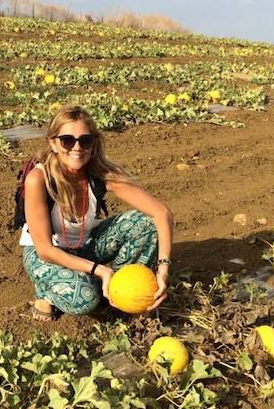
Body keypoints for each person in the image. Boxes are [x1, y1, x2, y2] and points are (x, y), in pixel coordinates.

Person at [18, 105, 174, 321]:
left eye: (85, 140)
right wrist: (101, 270)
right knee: (85, 298)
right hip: (47, 255)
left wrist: (163, 269)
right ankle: (45, 291)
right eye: (67, 140)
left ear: (93, 145)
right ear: (53, 143)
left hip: (84, 245)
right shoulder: (39, 179)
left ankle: (121, 290)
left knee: (145, 224)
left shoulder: (100, 174)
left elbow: (161, 213)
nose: (77, 147)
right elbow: (45, 250)